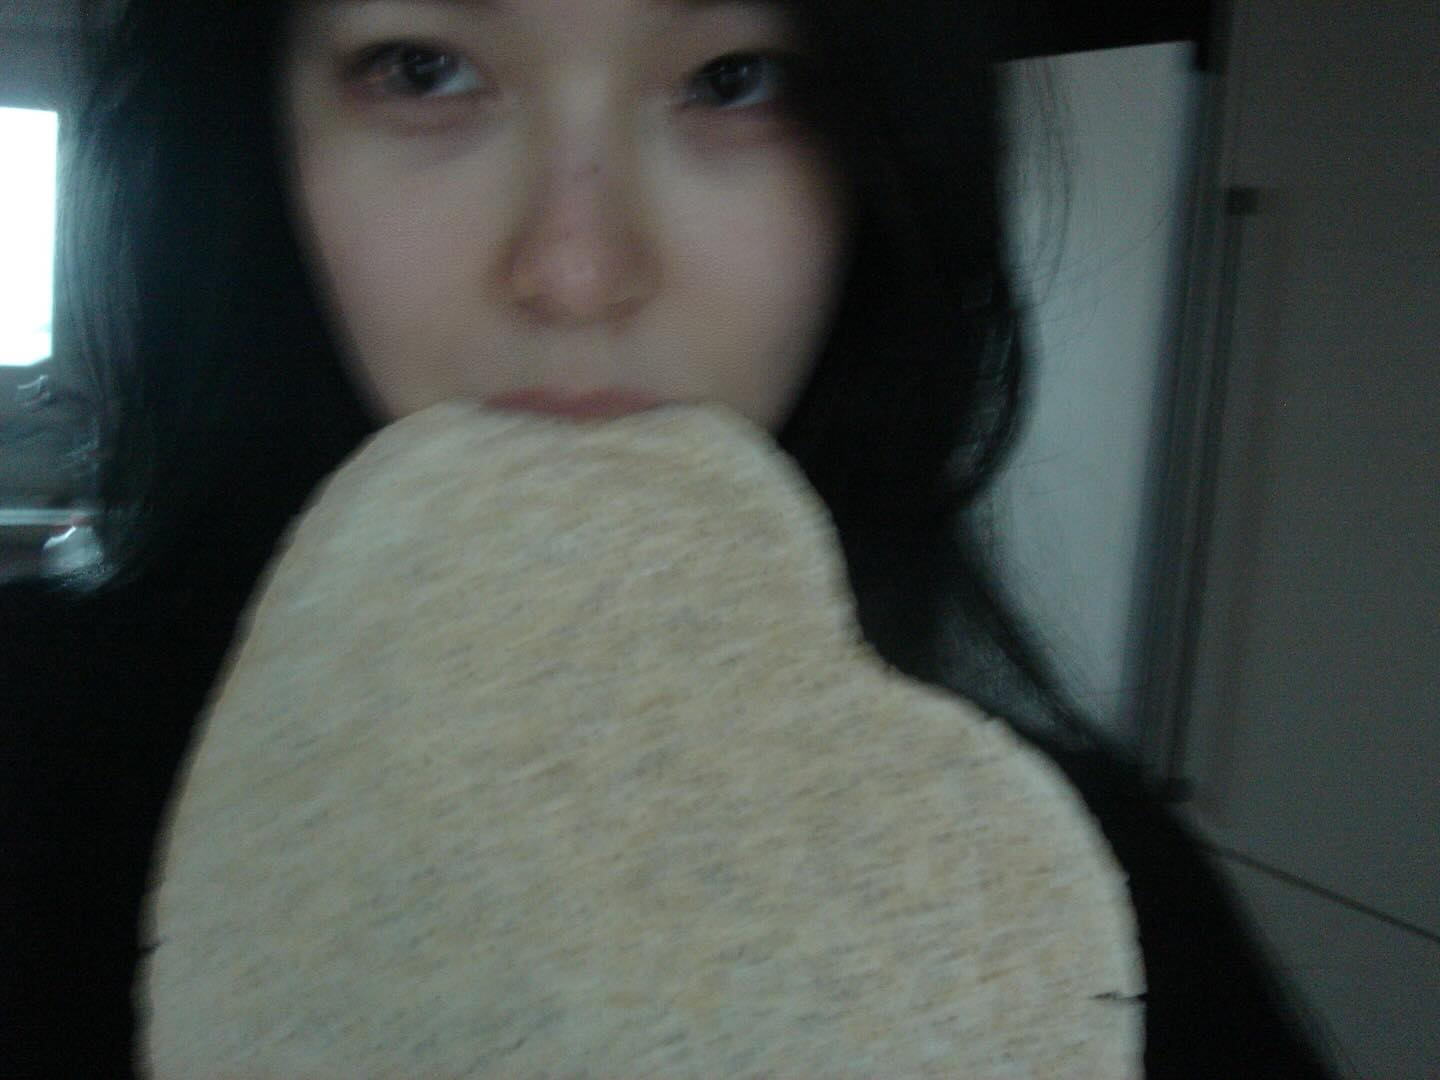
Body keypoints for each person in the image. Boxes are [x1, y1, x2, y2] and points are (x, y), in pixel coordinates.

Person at [1, 0, 1336, 1076]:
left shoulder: (1113, 928)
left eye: (734, 80)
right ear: (260, 133)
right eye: (423, 69)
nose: (577, 271)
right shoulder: (35, 776)